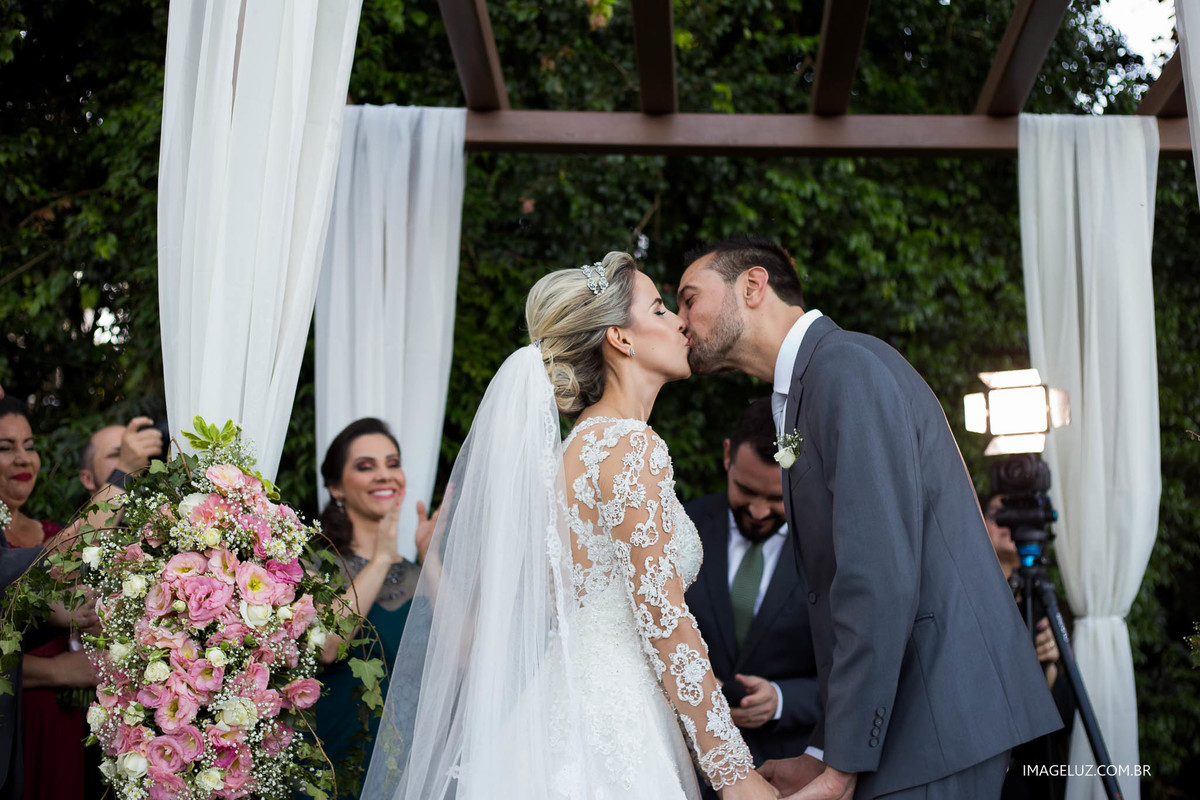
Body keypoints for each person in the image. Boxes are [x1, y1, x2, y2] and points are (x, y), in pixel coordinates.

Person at [363, 252, 776, 800]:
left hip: (564, 706)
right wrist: (734, 772)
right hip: (613, 722)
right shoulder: (630, 445)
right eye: (659, 309)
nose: (681, 321)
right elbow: (663, 617)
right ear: (620, 339)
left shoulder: (572, 451)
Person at [676, 235, 1062, 800]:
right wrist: (821, 753)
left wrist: (842, 762)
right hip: (912, 728)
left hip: (933, 721)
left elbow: (876, 574)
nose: (681, 320)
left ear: (753, 285)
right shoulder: (815, 381)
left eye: (689, 298)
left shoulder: (845, 369)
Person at [684, 397, 820, 799]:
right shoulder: (681, 527)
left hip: (788, 773)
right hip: (686, 771)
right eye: (745, 490)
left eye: (777, 498)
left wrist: (782, 700)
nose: (759, 512)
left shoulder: (829, 548)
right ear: (728, 455)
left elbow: (857, 671)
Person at [310, 417, 440, 799]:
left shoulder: (419, 576)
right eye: (366, 466)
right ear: (336, 487)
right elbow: (326, 645)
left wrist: (430, 558)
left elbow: (468, 655)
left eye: (392, 463)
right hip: (336, 769)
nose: (384, 474)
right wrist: (381, 557)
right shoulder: (313, 567)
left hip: (413, 773)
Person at [0, 396, 96, 800]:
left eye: (29, 445)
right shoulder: (59, 549)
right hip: (13, 718)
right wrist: (57, 670)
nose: (23, 458)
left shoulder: (53, 531)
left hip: (62, 721)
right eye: (5, 447)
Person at [981, 491, 1075, 800]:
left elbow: (1065, 714)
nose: (1011, 524)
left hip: (1034, 773)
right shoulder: (968, 602)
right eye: (1000, 514)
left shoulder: (1048, 607)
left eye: (1022, 513)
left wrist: (1048, 667)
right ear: (980, 521)